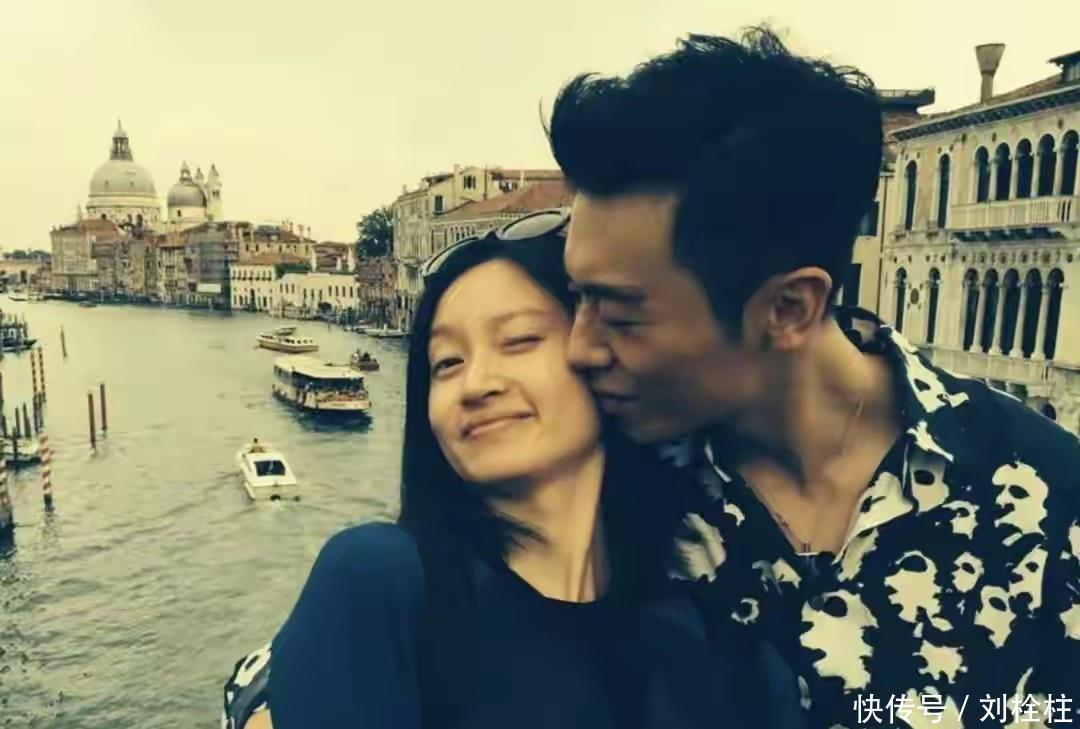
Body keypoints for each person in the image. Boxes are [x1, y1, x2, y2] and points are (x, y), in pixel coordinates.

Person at [545, 27, 1080, 727]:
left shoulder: (1048, 497)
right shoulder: (590, 490)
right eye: (577, 299)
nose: (578, 348)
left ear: (789, 309)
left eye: (620, 314)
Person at [222, 213, 803, 729]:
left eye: (519, 340)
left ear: (606, 362)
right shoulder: (382, 583)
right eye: (447, 363)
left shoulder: (728, 646)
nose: (475, 384)